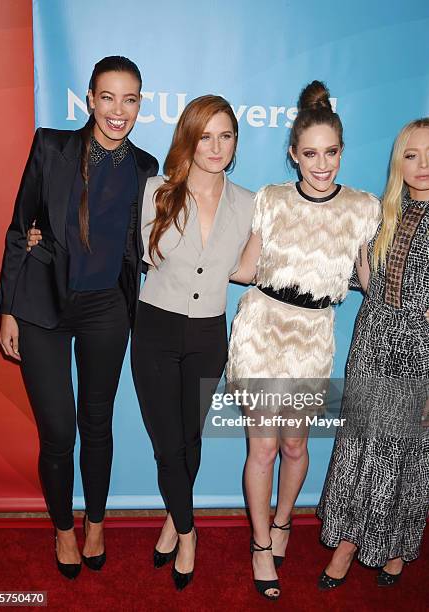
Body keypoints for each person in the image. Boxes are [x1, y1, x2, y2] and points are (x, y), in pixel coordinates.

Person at [224, 83, 429, 600]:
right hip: (262, 331)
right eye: (309, 154)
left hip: (312, 336)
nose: (320, 164)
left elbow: (373, 282)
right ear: (293, 155)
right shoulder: (271, 200)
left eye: (330, 153)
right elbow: (242, 267)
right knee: (262, 449)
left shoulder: (366, 210)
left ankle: (283, 524)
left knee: (295, 445)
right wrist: (179, 252)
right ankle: (262, 547)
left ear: (342, 153)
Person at [0, 56, 158, 579]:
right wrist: (9, 308)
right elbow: (21, 227)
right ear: (89, 99)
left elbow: (149, 243)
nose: (118, 110)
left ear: (139, 105)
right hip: (43, 304)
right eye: (107, 97)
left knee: (97, 423)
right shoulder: (50, 146)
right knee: (59, 431)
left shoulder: (144, 168)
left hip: (106, 309)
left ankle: (94, 522)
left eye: (129, 99)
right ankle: (63, 527)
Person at [317, 117, 429, 589]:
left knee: (406, 455)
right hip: (372, 343)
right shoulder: (380, 213)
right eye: (411, 155)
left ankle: (394, 544)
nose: (422, 165)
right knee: (359, 448)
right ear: (399, 162)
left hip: (424, 353)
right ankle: (350, 541)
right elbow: (360, 278)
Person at [132, 95, 255, 590]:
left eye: (226, 136)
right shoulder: (156, 190)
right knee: (167, 446)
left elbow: (251, 267)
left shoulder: (248, 203)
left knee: (190, 437)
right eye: (206, 135)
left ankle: (171, 518)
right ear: (189, 136)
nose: (216, 146)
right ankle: (188, 532)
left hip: (209, 332)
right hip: (156, 328)